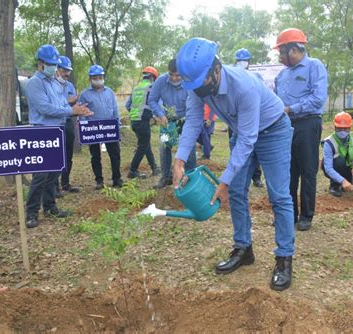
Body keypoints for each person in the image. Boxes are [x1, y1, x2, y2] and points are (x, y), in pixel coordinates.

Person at [174, 37, 295, 291]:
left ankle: (284, 258)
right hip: (242, 133)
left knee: (279, 196)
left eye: (201, 84)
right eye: (193, 85)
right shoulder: (197, 86)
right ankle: (243, 249)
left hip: (272, 130)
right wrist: (180, 159)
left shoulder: (245, 86)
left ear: (216, 70)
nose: (197, 90)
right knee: (238, 193)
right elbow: (194, 121)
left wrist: (224, 180)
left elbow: (249, 138)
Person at [25, 45, 91, 228]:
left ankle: (50, 206)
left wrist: (78, 111)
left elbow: (62, 105)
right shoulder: (34, 83)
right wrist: (70, 111)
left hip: (57, 130)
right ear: (40, 63)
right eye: (49, 64)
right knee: (40, 174)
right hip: (42, 131)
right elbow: (44, 108)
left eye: (55, 64)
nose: (53, 68)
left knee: (54, 173)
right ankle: (31, 212)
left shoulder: (54, 82)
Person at [274, 28, 328, 231]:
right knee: (288, 171)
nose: (280, 57)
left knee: (307, 170)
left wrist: (291, 109)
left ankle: (307, 215)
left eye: (282, 52)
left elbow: (318, 98)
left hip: (307, 123)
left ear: (294, 49)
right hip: (286, 125)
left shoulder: (315, 66)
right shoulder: (282, 74)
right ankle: (291, 214)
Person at [148, 58, 196, 189]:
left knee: (189, 149)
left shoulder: (189, 83)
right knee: (164, 147)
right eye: (171, 75)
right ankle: (166, 177)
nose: (174, 78)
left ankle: (190, 177)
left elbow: (195, 106)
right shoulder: (161, 81)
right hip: (167, 121)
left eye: (177, 75)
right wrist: (160, 114)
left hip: (185, 120)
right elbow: (152, 99)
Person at [79, 64, 123, 190]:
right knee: (95, 156)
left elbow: (115, 109)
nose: (98, 79)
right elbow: (82, 112)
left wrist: (117, 123)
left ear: (103, 77)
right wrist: (84, 127)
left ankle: (117, 178)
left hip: (109, 128)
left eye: (100, 77)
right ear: (90, 79)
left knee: (115, 154)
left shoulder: (109, 92)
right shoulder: (85, 94)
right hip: (93, 130)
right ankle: (99, 181)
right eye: (95, 77)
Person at [235, 48, 264, 188]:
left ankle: (256, 177)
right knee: (237, 148)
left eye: (244, 60)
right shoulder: (233, 78)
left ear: (249, 62)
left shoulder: (256, 77)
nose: (242, 63)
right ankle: (239, 178)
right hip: (236, 120)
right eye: (239, 61)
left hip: (253, 119)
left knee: (255, 148)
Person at [125, 66, 160, 179]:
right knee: (142, 146)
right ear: (153, 77)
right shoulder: (152, 87)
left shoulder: (136, 88)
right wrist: (155, 116)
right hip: (143, 121)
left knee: (145, 144)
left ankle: (154, 167)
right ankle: (132, 170)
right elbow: (155, 103)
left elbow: (127, 106)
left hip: (134, 121)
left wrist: (135, 114)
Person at [55, 55, 80, 195]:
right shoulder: (51, 85)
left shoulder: (70, 86)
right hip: (55, 124)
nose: (67, 74)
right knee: (57, 156)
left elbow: (74, 105)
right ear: (57, 69)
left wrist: (79, 108)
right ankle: (54, 188)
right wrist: (67, 101)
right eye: (64, 70)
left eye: (68, 71)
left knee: (68, 155)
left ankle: (65, 183)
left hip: (68, 122)